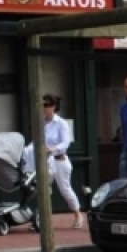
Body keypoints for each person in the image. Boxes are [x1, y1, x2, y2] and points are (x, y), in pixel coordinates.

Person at [41, 94, 84, 229]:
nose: (44, 108)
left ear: (53, 107)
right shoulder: (41, 123)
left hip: (59, 160)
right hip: (45, 161)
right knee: (43, 189)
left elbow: (66, 142)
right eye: (43, 105)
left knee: (65, 189)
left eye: (47, 105)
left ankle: (78, 214)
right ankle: (44, 220)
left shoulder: (61, 123)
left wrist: (53, 148)